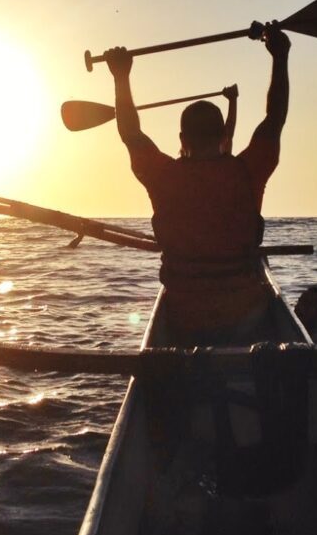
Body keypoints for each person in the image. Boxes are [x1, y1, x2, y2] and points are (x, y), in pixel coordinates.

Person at [104, 23, 290, 342]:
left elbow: (130, 134)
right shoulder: (248, 171)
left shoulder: (161, 175)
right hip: (246, 318)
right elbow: (274, 121)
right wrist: (280, 57)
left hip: (185, 318)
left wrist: (121, 76)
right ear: (223, 136)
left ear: (182, 139)